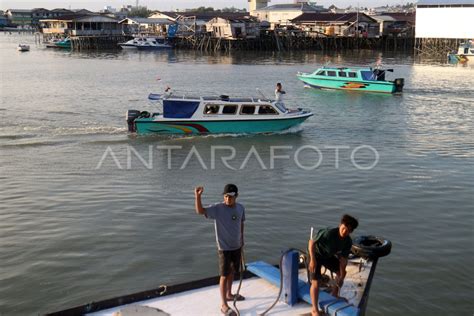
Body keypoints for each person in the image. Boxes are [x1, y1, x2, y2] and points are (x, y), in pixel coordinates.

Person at [195, 184, 245, 316]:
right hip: (224, 248)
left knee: (233, 271)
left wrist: (242, 240)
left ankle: (229, 294)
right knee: (224, 275)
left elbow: (241, 223)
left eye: (231, 197)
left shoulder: (240, 208)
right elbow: (200, 211)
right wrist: (198, 196)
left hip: (237, 246)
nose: (228, 199)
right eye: (226, 196)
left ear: (236, 196)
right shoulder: (217, 208)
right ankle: (224, 305)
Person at [308, 214, 359, 316]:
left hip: (327, 255)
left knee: (341, 274)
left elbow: (343, 259)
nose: (344, 232)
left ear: (351, 232)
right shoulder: (329, 233)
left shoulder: (348, 241)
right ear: (340, 225)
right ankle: (314, 309)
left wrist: (342, 274)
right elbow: (311, 243)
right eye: (343, 228)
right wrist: (312, 259)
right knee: (316, 283)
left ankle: (334, 294)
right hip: (316, 254)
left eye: (348, 231)